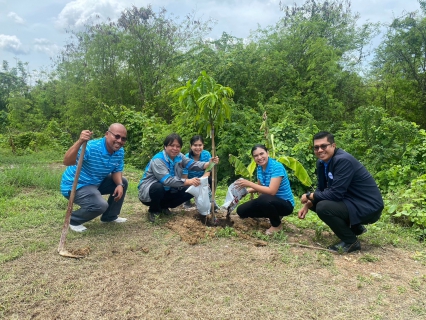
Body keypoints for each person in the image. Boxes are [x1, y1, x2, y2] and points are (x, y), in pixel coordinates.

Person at [298, 131, 384, 253]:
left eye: (324, 146)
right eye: (316, 147)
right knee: (316, 201)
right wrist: (308, 203)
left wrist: (309, 195)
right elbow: (322, 189)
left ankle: (351, 242)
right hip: (352, 201)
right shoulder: (321, 163)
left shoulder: (343, 160)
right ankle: (355, 228)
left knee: (323, 206)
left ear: (333, 145)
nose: (320, 150)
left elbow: (335, 194)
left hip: (369, 206)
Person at [60, 123, 128, 232]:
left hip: (96, 183)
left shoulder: (119, 152)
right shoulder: (91, 147)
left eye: (123, 139)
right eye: (117, 136)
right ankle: (73, 219)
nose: (120, 141)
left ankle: (110, 216)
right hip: (76, 185)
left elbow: (117, 170)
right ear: (107, 134)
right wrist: (80, 141)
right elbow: (67, 161)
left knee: (123, 182)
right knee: (100, 205)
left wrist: (119, 185)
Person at [138, 133, 219, 222]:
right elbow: (167, 180)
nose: (175, 149)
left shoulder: (180, 156)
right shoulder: (158, 159)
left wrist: (208, 164)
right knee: (158, 187)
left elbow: (192, 164)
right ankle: (154, 211)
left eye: (178, 146)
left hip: (169, 190)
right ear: (165, 146)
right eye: (172, 145)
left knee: (192, 188)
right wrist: (188, 181)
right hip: (149, 193)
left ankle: (163, 206)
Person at [234, 144, 294, 235]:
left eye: (262, 154)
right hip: (268, 201)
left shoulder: (277, 167)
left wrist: (249, 183)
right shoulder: (259, 168)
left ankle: (277, 225)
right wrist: (245, 191)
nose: (259, 157)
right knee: (241, 211)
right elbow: (260, 187)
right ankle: (273, 215)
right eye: (256, 156)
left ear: (268, 153)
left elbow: (271, 191)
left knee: (263, 198)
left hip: (285, 204)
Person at [182, 135, 213, 209]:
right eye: (195, 145)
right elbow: (184, 177)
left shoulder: (207, 154)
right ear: (191, 146)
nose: (198, 148)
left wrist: (202, 180)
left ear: (203, 146)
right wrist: (192, 181)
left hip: (203, 179)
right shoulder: (186, 157)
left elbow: (208, 171)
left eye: (200, 145)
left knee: (211, 179)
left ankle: (210, 200)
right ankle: (187, 200)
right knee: (183, 183)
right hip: (190, 181)